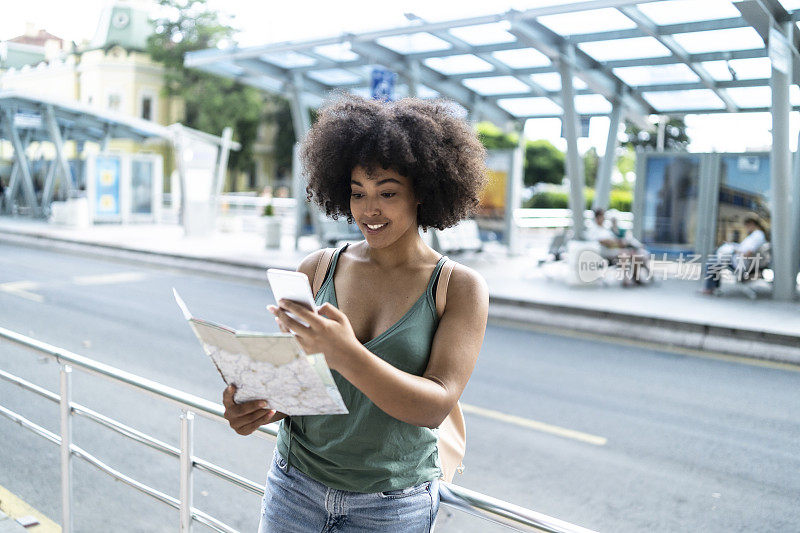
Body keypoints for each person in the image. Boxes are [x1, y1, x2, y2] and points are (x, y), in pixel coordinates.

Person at [222, 94, 490, 533]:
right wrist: (261, 407)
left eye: (387, 192)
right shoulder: (318, 268)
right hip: (295, 487)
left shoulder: (458, 288)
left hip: (391, 505)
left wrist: (344, 352)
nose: (369, 211)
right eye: (357, 193)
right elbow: (302, 387)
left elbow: (435, 406)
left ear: (422, 191)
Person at [701, 214, 768, 295]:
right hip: (740, 260)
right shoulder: (757, 235)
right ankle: (713, 288)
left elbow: (748, 253)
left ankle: (709, 288)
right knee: (715, 260)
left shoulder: (757, 235)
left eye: (747, 225)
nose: (746, 228)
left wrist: (734, 250)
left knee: (712, 262)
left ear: (752, 224)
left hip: (741, 263)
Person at [586, 208, 650, 286]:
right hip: (604, 252)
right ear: (597, 217)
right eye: (602, 216)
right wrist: (616, 243)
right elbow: (604, 242)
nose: (604, 218)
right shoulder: (594, 229)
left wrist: (618, 242)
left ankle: (636, 278)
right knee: (625, 255)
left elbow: (613, 240)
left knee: (635, 255)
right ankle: (626, 280)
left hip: (614, 249)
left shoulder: (605, 228)